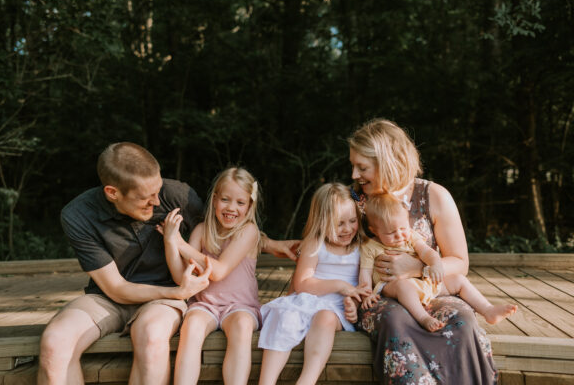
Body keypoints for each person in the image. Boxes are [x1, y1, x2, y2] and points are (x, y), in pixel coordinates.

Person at [38, 143, 295, 385]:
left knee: (152, 338)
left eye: (157, 190)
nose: (157, 201)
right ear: (112, 193)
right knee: (55, 343)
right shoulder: (79, 214)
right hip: (109, 296)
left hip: (163, 301)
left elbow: (226, 227)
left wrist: (270, 244)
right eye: (146, 197)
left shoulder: (177, 195)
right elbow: (116, 288)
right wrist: (179, 291)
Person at [343, 119, 501, 384]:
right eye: (353, 166)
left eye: (362, 167)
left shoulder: (433, 196)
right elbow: (327, 249)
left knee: (460, 319)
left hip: (431, 290)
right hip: (378, 297)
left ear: (389, 162)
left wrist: (416, 267)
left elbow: (460, 262)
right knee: (395, 320)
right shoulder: (354, 200)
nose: (354, 175)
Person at [258, 183, 370, 385]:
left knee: (325, 318)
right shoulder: (314, 244)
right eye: (339, 224)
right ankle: (266, 381)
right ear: (321, 222)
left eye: (352, 221)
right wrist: (338, 284)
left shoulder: (362, 247)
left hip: (337, 308)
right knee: (285, 318)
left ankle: (306, 380)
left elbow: (364, 286)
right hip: (307, 300)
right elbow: (302, 284)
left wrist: (354, 304)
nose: (347, 229)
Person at [158, 167, 262, 385]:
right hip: (204, 304)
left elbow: (220, 270)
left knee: (242, 326)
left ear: (249, 206)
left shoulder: (248, 231)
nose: (231, 208)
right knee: (192, 325)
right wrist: (170, 242)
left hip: (240, 305)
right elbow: (180, 277)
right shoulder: (201, 231)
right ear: (215, 200)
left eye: (240, 203)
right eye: (225, 199)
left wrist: (181, 245)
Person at [359, 193, 517, 332]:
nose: (400, 235)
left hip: (424, 283)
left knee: (458, 280)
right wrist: (366, 293)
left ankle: (488, 310)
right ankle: (423, 318)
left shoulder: (411, 236)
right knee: (403, 286)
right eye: (391, 232)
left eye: (403, 228)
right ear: (374, 230)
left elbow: (427, 252)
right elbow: (365, 273)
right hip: (393, 286)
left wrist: (434, 264)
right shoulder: (370, 246)